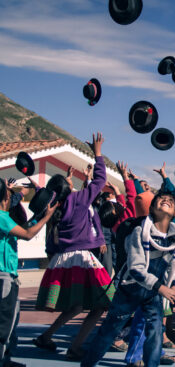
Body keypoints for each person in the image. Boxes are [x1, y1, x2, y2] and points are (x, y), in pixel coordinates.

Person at [33, 133, 113, 360]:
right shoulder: (78, 200)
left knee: (77, 306)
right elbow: (99, 182)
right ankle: (76, 347)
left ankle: (47, 337)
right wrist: (97, 154)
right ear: (67, 188)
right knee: (102, 304)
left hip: (62, 261)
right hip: (81, 260)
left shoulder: (55, 207)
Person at [81, 191, 175, 367]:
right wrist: (161, 287)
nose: (166, 200)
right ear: (151, 208)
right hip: (130, 289)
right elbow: (136, 269)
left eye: (171, 201)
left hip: (153, 292)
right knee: (110, 330)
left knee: (155, 332)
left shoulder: (174, 238)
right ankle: (88, 364)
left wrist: (170, 284)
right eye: (161, 199)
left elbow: (169, 268)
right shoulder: (138, 231)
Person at [0, 178, 58, 367]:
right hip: (3, 277)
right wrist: (46, 218)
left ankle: (6, 359)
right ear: (4, 197)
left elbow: (23, 230)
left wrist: (36, 217)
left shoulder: (5, 218)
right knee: (4, 325)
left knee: (11, 321)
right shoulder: (0, 217)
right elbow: (28, 235)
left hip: (10, 276)